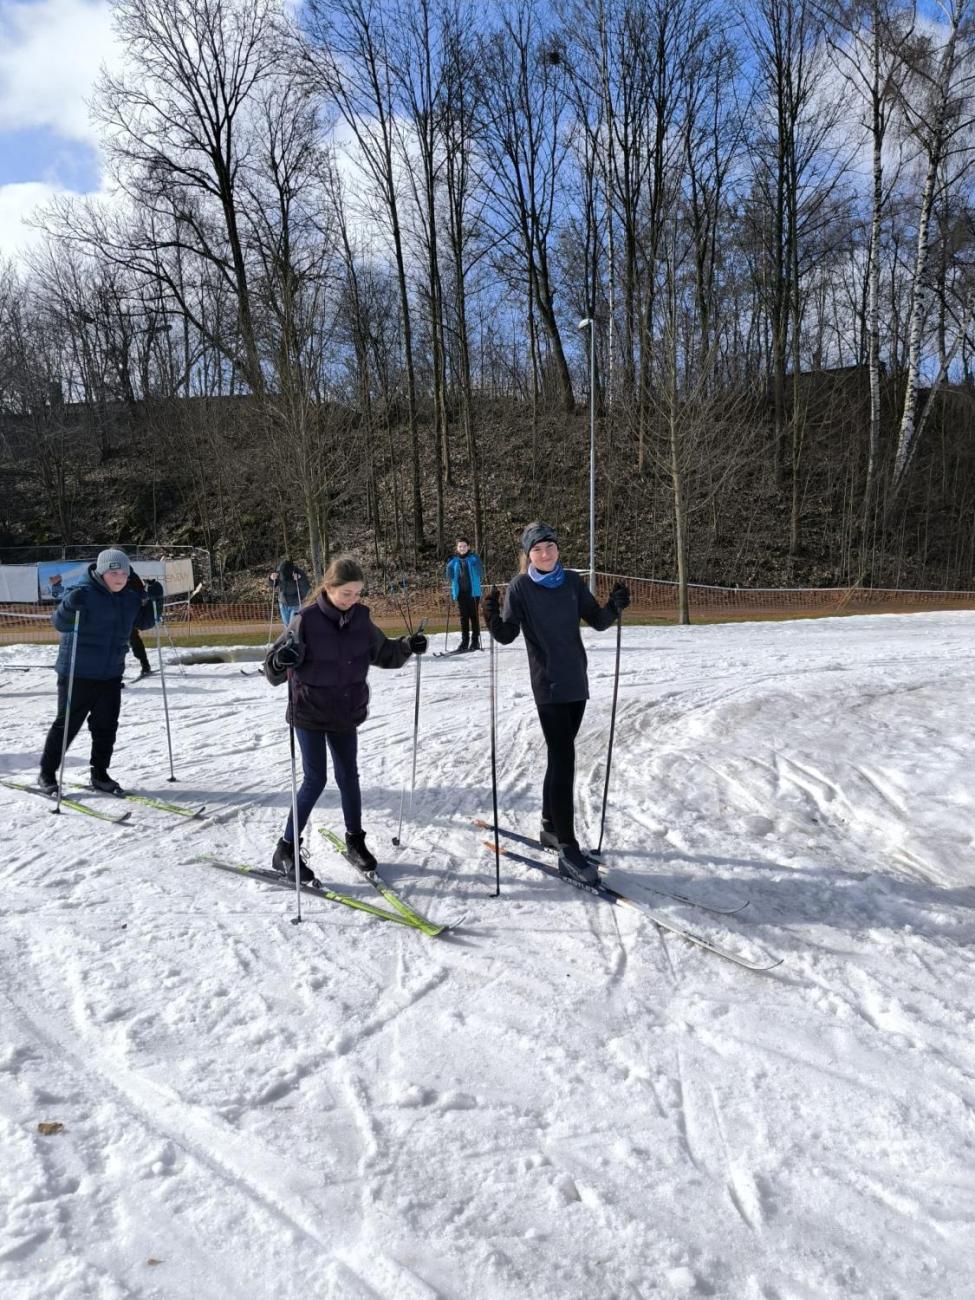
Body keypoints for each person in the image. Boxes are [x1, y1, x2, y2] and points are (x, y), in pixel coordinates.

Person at [263, 555, 429, 881]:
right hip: (309, 711)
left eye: (357, 594)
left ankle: (355, 841)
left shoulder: (362, 620)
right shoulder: (305, 620)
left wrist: (408, 646)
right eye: (345, 594)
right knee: (316, 779)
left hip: (344, 709)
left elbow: (385, 654)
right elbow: (272, 670)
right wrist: (281, 660)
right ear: (328, 588)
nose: (351, 600)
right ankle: (285, 848)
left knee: (348, 776)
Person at [483, 522, 629, 886]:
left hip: (576, 679)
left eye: (549, 547)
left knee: (559, 756)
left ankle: (549, 826)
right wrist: (489, 613)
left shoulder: (573, 581)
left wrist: (614, 605)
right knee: (565, 760)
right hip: (547, 684)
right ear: (528, 555)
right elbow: (506, 635)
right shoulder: (521, 587)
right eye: (537, 550)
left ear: (557, 548)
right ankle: (567, 846)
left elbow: (596, 620)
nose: (545, 554)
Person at [38, 548, 162, 795]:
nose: (119, 578)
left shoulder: (129, 596)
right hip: (77, 672)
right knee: (67, 725)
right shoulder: (82, 592)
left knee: (106, 726)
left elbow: (146, 622)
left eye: (124, 573)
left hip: (111, 673)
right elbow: (60, 623)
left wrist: (157, 600)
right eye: (114, 573)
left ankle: (100, 774)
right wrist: (68, 607)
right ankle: (47, 773)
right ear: (102, 572)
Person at [444, 536, 483, 652]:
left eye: (464, 546)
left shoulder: (474, 558)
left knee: (473, 617)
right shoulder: (454, 561)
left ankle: (475, 641)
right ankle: (464, 642)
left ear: (468, 547)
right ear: (457, 548)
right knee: (463, 618)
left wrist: (476, 563)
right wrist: (448, 565)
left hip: (473, 593)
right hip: (460, 593)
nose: (462, 548)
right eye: (460, 546)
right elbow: (449, 577)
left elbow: (481, 572)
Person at [269, 558, 310, 626]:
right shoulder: (279, 572)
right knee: (286, 625)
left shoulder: (299, 573)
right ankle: (289, 636)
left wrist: (300, 579)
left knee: (292, 626)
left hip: (295, 604)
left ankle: (296, 636)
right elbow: (273, 585)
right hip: (283, 603)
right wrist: (271, 579)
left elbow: (306, 591)